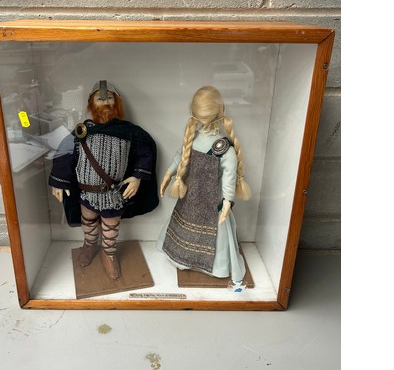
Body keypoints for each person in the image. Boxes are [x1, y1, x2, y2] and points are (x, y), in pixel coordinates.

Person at [49, 81, 158, 280]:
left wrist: (137, 177)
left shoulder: (129, 132)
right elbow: (65, 154)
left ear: (117, 103)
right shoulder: (81, 132)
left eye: (109, 98)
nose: (105, 102)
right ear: (91, 103)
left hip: (113, 194)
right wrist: (59, 181)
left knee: (111, 226)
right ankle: (90, 245)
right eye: (100, 98)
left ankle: (109, 254)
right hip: (87, 192)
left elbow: (144, 152)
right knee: (88, 220)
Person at [156, 86, 250, 282]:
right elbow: (181, 156)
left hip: (211, 202)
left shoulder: (222, 147)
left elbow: (229, 177)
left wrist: (227, 201)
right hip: (191, 198)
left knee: (216, 235)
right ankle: (184, 259)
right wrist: (168, 173)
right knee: (186, 227)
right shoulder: (194, 137)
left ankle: (215, 266)